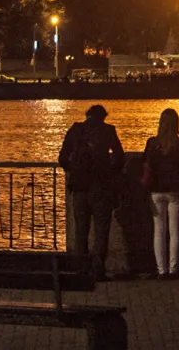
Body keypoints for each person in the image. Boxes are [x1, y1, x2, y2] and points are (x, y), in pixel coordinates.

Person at [59, 105, 125, 281]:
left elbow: (62, 158)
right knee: (101, 230)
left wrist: (74, 171)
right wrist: (109, 172)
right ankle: (98, 270)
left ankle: (81, 270)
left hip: (80, 188)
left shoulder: (75, 131)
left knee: (81, 230)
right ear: (103, 116)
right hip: (101, 188)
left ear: (87, 115)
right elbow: (120, 157)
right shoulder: (108, 130)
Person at [141, 109, 179, 279]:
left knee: (159, 231)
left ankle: (161, 270)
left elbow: (146, 164)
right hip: (175, 191)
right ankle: (173, 269)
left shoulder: (152, 143)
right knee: (175, 231)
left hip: (156, 191)